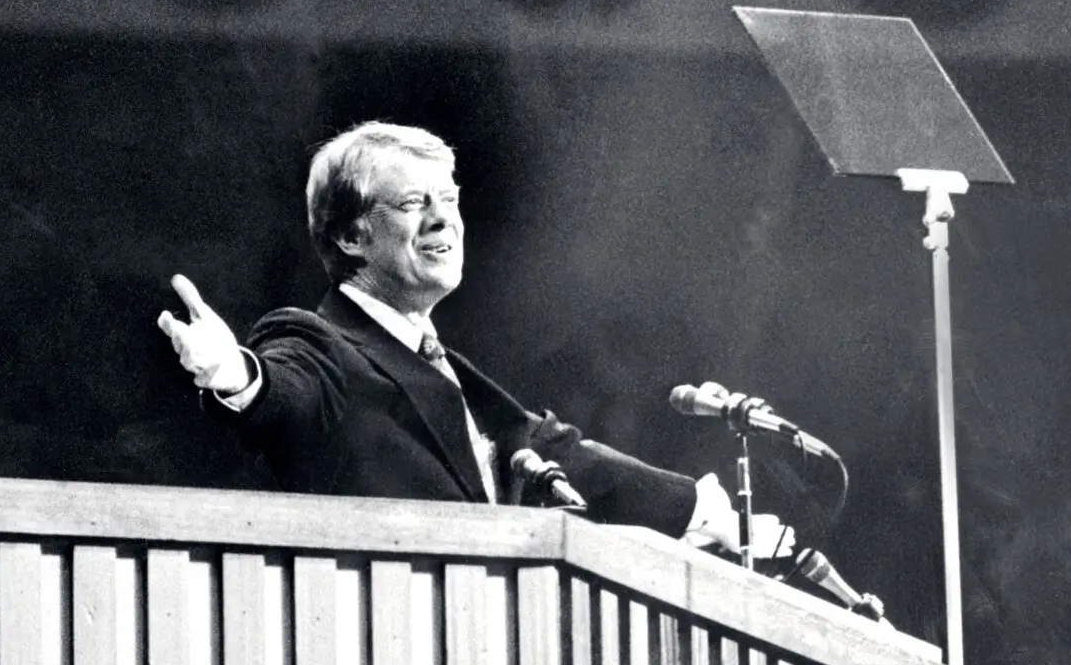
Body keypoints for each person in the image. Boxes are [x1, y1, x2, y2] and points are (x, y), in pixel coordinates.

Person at [158, 121, 792, 554]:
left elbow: (563, 458)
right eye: (411, 203)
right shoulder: (318, 342)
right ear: (351, 237)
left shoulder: (445, 368)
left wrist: (714, 517)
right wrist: (235, 376)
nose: (443, 219)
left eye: (449, 198)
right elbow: (282, 388)